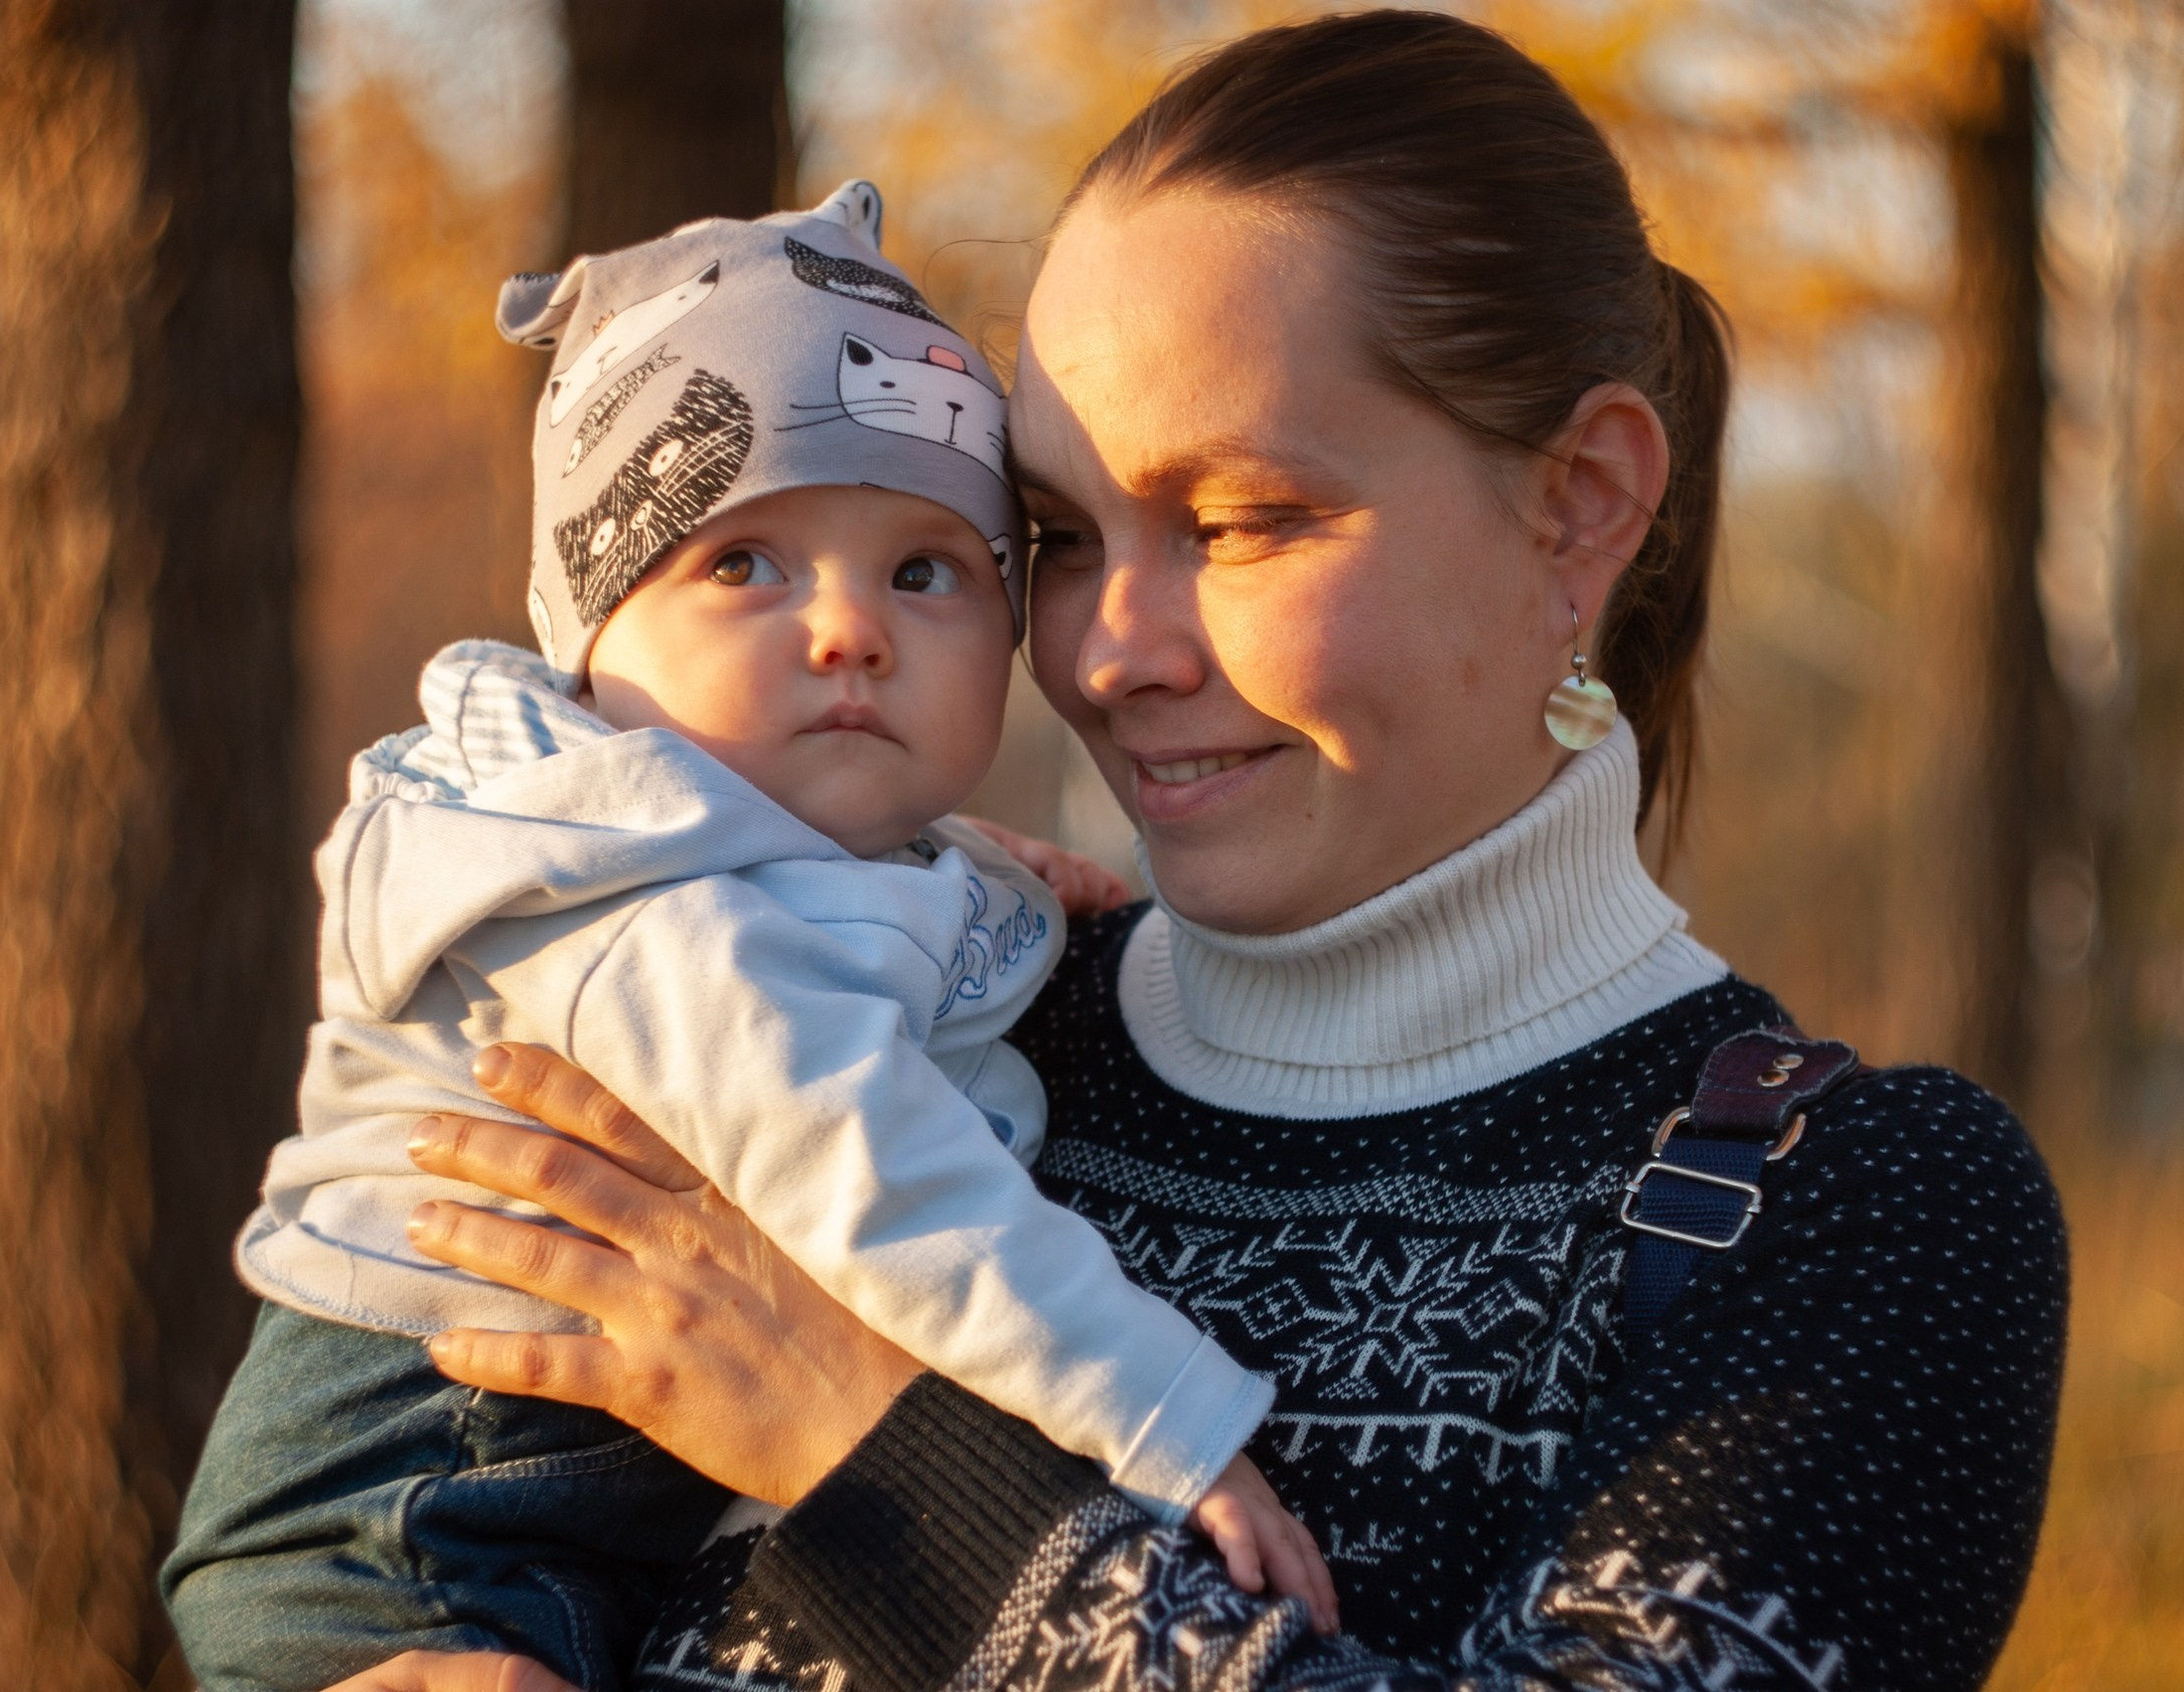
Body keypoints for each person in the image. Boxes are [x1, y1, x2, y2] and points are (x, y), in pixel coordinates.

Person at [318, 13, 2070, 1692]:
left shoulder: (1852, 1213)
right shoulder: (928, 1026)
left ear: (1584, 502)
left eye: (1240, 522)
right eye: (1061, 539)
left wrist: (873, 1450)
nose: (1101, 652)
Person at [163, 184, 1337, 1692]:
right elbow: (866, 1165)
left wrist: (974, 870)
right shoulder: (604, 892)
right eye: (744, 565)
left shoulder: (741, 841)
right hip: (407, 1520)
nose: (851, 629)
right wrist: (1163, 1417)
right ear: (589, 647)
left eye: (927, 571)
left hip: (567, 1504)